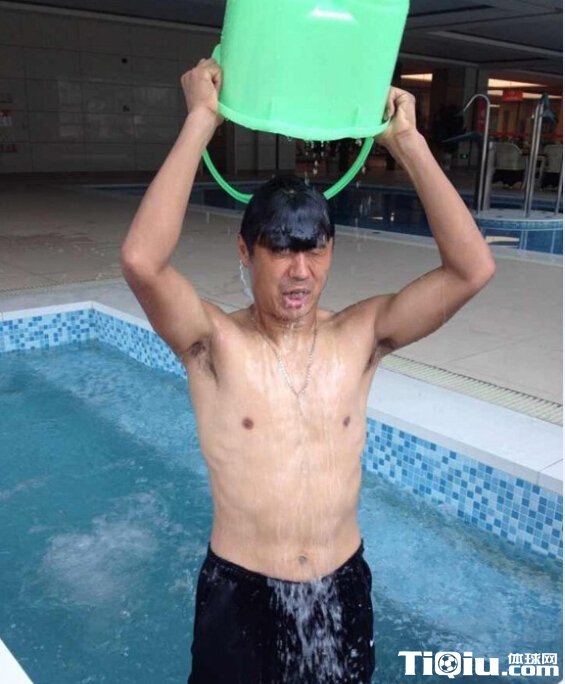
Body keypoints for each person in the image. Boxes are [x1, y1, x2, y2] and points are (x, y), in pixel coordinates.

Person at [120, 58, 496, 684]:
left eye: (314, 250)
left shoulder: (361, 335)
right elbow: (142, 261)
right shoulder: (213, 344)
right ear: (246, 251)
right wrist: (201, 121)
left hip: (340, 590)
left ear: (331, 249)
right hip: (242, 595)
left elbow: (472, 269)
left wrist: (408, 142)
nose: (300, 273)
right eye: (281, 250)